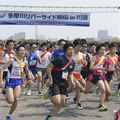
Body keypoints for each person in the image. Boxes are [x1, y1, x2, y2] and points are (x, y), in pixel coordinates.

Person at [45, 42, 75, 120]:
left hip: (64, 82)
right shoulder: (60, 59)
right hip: (55, 81)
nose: (71, 51)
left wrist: (71, 81)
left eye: (72, 49)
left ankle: (49, 117)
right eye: (69, 49)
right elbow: (48, 67)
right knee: (57, 102)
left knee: (62, 102)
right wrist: (50, 79)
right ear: (65, 50)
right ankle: (50, 92)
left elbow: (71, 73)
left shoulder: (72, 61)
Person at [0, 45, 31, 120]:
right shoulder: (12, 60)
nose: (23, 52)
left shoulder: (25, 61)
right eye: (21, 50)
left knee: (16, 99)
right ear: (16, 51)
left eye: (24, 50)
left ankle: (9, 115)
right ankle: (6, 90)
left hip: (18, 81)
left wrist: (29, 78)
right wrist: (1, 80)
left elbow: (27, 70)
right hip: (10, 81)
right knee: (10, 101)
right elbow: (2, 68)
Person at [81, 43, 107, 111]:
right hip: (92, 76)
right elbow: (90, 67)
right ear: (98, 50)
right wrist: (99, 69)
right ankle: (79, 87)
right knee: (86, 91)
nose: (103, 51)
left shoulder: (104, 58)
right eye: (101, 49)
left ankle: (101, 105)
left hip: (98, 77)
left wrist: (103, 71)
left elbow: (101, 68)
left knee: (103, 90)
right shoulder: (95, 57)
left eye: (104, 50)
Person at [70, 39, 86, 109]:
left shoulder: (83, 55)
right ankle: (79, 103)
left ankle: (76, 98)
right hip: (71, 74)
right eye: (78, 46)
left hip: (78, 74)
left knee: (84, 84)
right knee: (79, 86)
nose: (79, 48)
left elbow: (85, 65)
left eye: (80, 46)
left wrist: (83, 62)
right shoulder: (70, 54)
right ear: (74, 46)